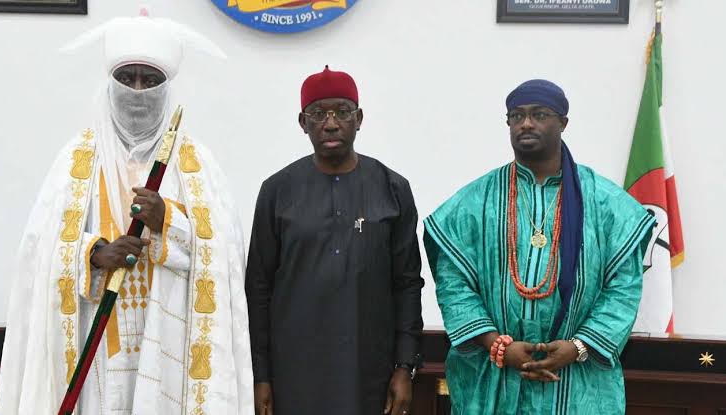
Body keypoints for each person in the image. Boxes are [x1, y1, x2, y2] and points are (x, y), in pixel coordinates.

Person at [0, 11, 253, 414]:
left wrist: (167, 218)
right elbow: (41, 254)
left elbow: (222, 256)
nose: (137, 90)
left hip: (170, 346)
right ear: (110, 84)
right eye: (127, 78)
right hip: (98, 343)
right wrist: (95, 254)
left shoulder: (197, 167)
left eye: (150, 81)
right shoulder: (76, 160)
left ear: (167, 88)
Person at [424, 79, 655, 414]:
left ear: (563, 122)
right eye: (516, 116)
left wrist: (577, 347)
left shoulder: (607, 204)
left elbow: (623, 288)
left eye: (539, 114)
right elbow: (453, 282)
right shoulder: (476, 202)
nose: (526, 123)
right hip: (496, 377)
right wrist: (496, 344)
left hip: (578, 383)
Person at [246, 66, 424, 415]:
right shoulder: (277, 190)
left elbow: (407, 284)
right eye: (318, 113)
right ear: (302, 122)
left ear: (358, 119)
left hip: (370, 372)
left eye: (342, 112)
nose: (330, 124)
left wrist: (405, 367)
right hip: (293, 375)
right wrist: (260, 375)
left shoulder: (392, 188)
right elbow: (258, 287)